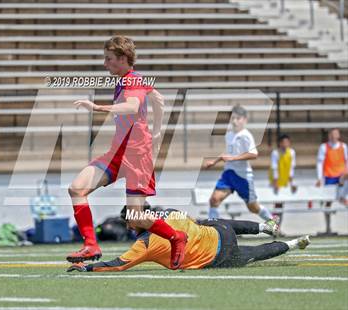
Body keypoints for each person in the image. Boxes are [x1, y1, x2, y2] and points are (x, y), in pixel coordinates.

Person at [66, 35, 188, 269]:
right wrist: (158, 132)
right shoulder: (131, 79)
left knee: (135, 218)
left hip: (137, 155)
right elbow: (159, 99)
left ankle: (176, 237)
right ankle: (91, 245)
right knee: (77, 188)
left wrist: (98, 107)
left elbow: (132, 106)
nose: (105, 64)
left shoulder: (132, 80)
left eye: (108, 59)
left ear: (123, 59)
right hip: (118, 151)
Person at [67, 207, 310, 272]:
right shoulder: (170, 213)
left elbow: (117, 264)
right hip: (220, 235)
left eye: (129, 221)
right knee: (211, 222)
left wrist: (88, 267)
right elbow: (192, 220)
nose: (128, 226)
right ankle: (264, 227)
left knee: (255, 254)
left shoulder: (144, 245)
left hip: (216, 258)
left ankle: (291, 244)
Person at [204, 105, 273, 222]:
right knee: (214, 200)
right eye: (233, 118)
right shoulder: (229, 134)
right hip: (228, 174)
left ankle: (272, 222)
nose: (235, 121)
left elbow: (253, 154)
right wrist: (214, 161)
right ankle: (215, 231)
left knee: (253, 207)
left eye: (238, 118)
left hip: (243, 177)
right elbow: (228, 153)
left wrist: (233, 158)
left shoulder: (246, 135)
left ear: (245, 120)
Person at [316, 128, 347, 233]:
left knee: (344, 199)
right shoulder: (324, 147)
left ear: (338, 135)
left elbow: (347, 162)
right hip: (329, 177)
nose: (334, 136)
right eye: (332, 134)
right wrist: (319, 178)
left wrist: (344, 175)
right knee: (327, 203)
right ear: (329, 135)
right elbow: (320, 163)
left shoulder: (343, 146)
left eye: (336, 134)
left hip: (341, 177)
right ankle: (328, 227)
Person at [269, 134, 297, 227]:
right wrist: (276, 183)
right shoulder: (275, 153)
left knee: (280, 206)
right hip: (276, 182)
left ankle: (277, 227)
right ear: (279, 143)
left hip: (285, 182)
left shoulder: (292, 152)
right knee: (277, 206)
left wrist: (292, 183)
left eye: (287, 142)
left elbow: (291, 168)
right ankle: (274, 227)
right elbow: (274, 168)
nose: (285, 144)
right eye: (283, 142)